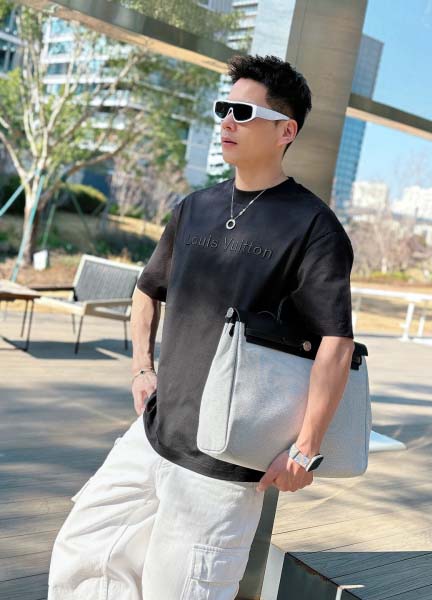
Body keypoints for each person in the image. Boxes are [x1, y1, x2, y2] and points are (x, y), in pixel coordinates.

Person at [47, 53, 355, 600]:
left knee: (182, 589)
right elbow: (148, 289)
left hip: (225, 458)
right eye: (223, 109)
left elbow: (336, 341)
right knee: (85, 554)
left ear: (286, 131)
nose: (228, 121)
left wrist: (305, 448)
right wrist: (141, 368)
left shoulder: (314, 227)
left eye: (244, 112)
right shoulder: (195, 207)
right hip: (154, 431)